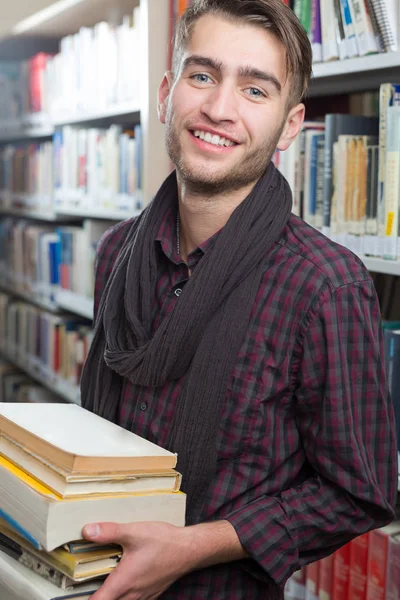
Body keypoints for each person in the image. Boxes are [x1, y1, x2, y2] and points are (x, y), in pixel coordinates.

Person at [80, 1, 397, 598]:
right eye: (202, 76)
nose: (219, 109)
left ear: (290, 124)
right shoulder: (117, 252)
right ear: (167, 92)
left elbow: (361, 490)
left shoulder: (326, 287)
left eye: (256, 91)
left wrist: (194, 545)